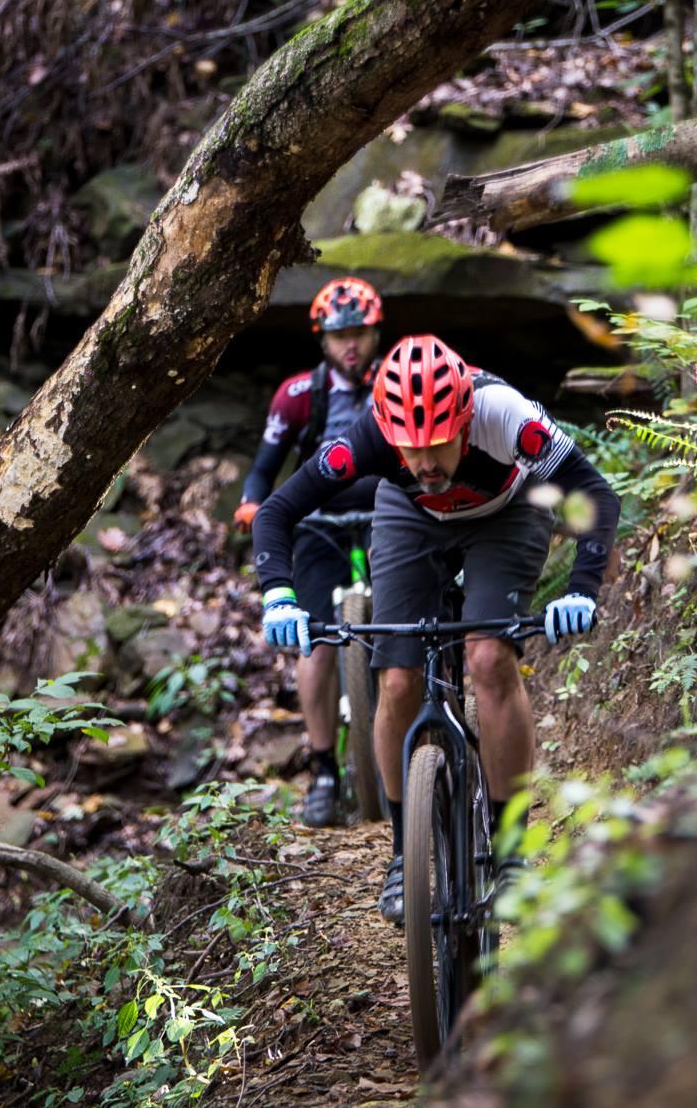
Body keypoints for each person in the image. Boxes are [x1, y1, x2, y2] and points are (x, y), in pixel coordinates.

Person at [253, 334, 620, 924]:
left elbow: (596, 493)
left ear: (464, 420)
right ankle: (404, 852)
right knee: (396, 681)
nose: (423, 462)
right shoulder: (371, 436)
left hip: (508, 512)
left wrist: (581, 588)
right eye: (409, 447)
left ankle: (509, 856)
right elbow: (277, 510)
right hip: (411, 518)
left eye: (437, 445)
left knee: (489, 659)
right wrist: (279, 597)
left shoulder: (507, 417)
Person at [234, 276, 385, 827]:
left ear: (375, 334)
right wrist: (252, 503)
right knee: (313, 642)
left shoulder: (396, 383)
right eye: (340, 334)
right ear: (322, 339)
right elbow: (263, 467)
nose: (351, 345)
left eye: (361, 333)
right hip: (317, 521)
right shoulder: (298, 395)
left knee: (403, 621)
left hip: (384, 517)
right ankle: (323, 769)